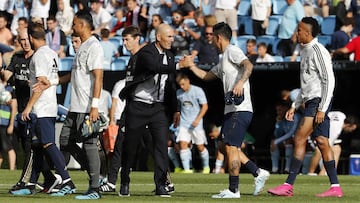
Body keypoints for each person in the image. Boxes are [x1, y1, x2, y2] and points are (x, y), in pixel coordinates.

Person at [179, 22, 269, 198]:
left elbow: (248, 65)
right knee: (223, 145)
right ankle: (257, 172)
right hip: (231, 111)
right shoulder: (223, 58)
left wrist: (241, 82)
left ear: (218, 37)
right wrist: (190, 66)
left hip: (240, 109)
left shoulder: (232, 51)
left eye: (211, 36)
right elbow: (206, 76)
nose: (209, 40)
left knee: (231, 147)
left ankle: (234, 190)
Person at [267, 17, 342, 197]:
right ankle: (335, 188)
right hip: (311, 100)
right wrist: (295, 105)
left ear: (307, 33)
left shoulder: (318, 51)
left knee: (299, 138)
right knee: (323, 142)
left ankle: (288, 185)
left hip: (318, 101)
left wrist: (322, 108)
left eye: (299, 30)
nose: (296, 32)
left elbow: (329, 81)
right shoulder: (304, 51)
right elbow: (306, 84)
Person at [118, 23, 180, 197]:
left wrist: (176, 109)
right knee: (131, 147)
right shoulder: (146, 53)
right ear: (158, 37)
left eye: (173, 36)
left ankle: (160, 185)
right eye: (169, 36)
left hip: (158, 108)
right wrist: (179, 66)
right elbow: (155, 68)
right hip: (138, 106)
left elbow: (171, 84)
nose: (172, 40)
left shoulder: (170, 56)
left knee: (161, 146)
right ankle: (125, 181)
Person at [13, 22, 74, 196]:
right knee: (37, 145)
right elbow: (48, 80)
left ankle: (67, 180)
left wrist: (28, 107)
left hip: (41, 108)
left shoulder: (39, 55)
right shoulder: (52, 53)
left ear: (31, 38)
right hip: (50, 104)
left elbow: (40, 84)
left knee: (47, 143)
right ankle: (31, 184)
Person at [54, 10, 104, 200]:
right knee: (65, 141)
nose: (72, 27)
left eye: (74, 24)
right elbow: (74, 75)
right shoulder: (82, 47)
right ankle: (90, 177)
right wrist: (53, 82)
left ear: (82, 25)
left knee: (90, 145)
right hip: (75, 107)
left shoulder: (94, 46)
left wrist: (95, 106)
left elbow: (99, 77)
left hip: (86, 107)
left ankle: (95, 188)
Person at [4, 28, 59, 193]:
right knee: (31, 146)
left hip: (34, 108)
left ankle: (26, 182)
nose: (25, 42)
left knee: (32, 147)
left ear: (31, 38)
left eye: (26, 39)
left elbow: (43, 82)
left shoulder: (39, 57)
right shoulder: (18, 58)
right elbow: (5, 76)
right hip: (21, 108)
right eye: (21, 40)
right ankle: (49, 178)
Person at [176, 72, 209, 174]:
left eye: (183, 84)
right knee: (183, 144)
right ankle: (187, 170)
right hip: (184, 123)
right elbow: (178, 108)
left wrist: (198, 119)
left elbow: (205, 106)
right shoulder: (178, 93)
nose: (182, 87)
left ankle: (206, 167)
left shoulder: (198, 91)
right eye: (180, 85)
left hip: (196, 124)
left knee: (200, 147)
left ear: (188, 81)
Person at [0, 71, 16, 170]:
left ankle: (12, 169)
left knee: (8, 147)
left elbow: (14, 108)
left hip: (5, 123)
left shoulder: (10, 91)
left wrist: (11, 124)